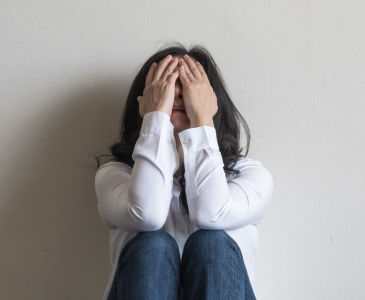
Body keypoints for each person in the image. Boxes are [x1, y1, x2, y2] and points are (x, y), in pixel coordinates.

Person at [93, 44, 273, 300]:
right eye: (167, 84)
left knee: (212, 245)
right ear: (144, 102)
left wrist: (201, 119)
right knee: (152, 246)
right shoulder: (115, 177)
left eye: (190, 86)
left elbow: (212, 215)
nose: (177, 93)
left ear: (212, 101)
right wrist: (156, 118)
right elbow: (147, 216)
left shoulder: (250, 177)